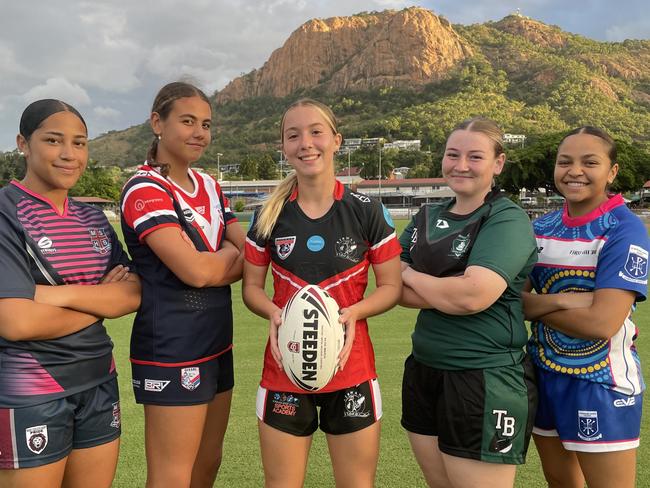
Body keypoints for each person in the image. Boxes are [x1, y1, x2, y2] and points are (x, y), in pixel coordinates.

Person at [243, 98, 402, 488]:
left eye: (316, 132)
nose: (305, 143)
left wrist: (354, 313)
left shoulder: (367, 210)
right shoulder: (268, 214)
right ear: (283, 147)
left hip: (352, 370)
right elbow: (251, 288)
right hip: (284, 370)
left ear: (336, 140)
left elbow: (392, 287)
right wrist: (273, 313)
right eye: (293, 135)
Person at [0, 99, 141, 488]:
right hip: (30, 390)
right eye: (53, 140)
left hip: (99, 381)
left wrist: (53, 295)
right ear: (22, 144)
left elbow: (131, 295)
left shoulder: (91, 217)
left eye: (80, 143)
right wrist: (100, 303)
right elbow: (17, 321)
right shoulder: (5, 213)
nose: (69, 154)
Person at [398, 117, 538, 488]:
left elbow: (473, 296)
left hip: (484, 376)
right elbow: (391, 288)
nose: (460, 165)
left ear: (498, 163)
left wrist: (411, 275)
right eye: (452, 154)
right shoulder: (428, 216)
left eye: (475, 156)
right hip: (425, 369)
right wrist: (446, 286)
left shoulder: (506, 218)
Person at [120, 82, 244, 488]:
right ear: (157, 122)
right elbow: (195, 272)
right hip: (172, 347)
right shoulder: (145, 189)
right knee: (173, 474)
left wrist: (220, 261)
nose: (199, 133)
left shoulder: (209, 184)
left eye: (206, 124)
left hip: (216, 341)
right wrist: (226, 259)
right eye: (187, 121)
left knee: (208, 462)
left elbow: (250, 254)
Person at [523, 127, 647, 488]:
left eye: (589, 162)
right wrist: (563, 298)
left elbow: (602, 323)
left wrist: (537, 305)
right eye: (565, 162)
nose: (574, 171)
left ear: (612, 172)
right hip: (542, 376)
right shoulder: (539, 227)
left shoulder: (624, 229)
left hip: (600, 382)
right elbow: (515, 303)